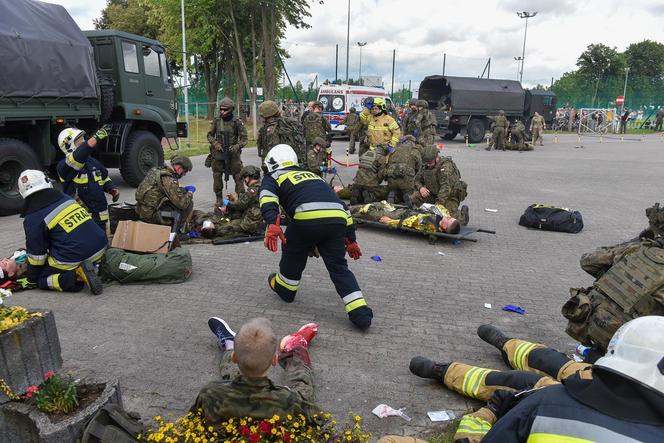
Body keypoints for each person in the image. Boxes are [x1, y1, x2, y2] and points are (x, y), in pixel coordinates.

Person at [410, 318, 664, 442]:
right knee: (553, 362)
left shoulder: (548, 405)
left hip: (609, 384)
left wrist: (491, 412)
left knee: (527, 384)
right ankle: (506, 344)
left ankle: (445, 371)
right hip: (623, 383)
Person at [259, 144, 373, 330]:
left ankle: (286, 288)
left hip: (305, 219)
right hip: (337, 221)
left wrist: (272, 222)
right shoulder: (313, 176)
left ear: (272, 163)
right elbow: (342, 208)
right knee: (338, 267)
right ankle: (361, 314)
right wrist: (351, 239)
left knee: (292, 248)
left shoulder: (274, 176)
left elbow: (267, 198)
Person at [193, 317, 322, 422]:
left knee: (229, 387)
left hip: (227, 397)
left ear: (233, 357)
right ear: (274, 360)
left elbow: (193, 420)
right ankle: (296, 347)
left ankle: (230, 344)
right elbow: (319, 420)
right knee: (302, 387)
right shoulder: (288, 399)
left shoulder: (210, 392)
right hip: (288, 404)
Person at [562, 236, 664, 355]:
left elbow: (587, 263)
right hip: (626, 340)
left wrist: (612, 274)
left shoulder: (636, 248)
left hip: (589, 320)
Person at [18, 169, 106, 295]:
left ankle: (77, 276)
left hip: (77, 256)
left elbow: (38, 258)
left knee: (42, 279)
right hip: (101, 246)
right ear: (47, 182)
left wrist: (32, 279)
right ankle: (96, 266)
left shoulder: (33, 218)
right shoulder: (65, 198)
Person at [56, 125, 119, 232]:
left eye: (83, 138)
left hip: (101, 217)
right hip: (82, 220)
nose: (83, 141)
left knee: (104, 242)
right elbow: (78, 156)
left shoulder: (92, 161)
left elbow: (103, 177)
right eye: (79, 140)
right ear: (68, 145)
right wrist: (96, 137)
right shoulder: (65, 166)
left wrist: (111, 188)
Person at [193, 166, 264, 240]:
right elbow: (245, 202)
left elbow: (241, 205)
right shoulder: (259, 186)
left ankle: (208, 228)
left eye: (244, 178)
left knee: (223, 229)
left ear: (248, 177)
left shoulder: (253, 190)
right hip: (249, 217)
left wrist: (226, 202)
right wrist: (233, 200)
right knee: (224, 217)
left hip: (250, 223)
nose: (244, 181)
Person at [410, 145, 469, 225]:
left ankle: (463, 216)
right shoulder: (426, 164)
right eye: (426, 163)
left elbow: (445, 189)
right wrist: (421, 188)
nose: (428, 165)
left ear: (436, 157)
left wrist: (437, 206)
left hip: (449, 197)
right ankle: (428, 212)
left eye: (430, 163)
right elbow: (416, 180)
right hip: (434, 194)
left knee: (450, 220)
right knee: (415, 196)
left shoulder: (445, 167)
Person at [206, 97, 248, 205]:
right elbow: (209, 135)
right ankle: (218, 198)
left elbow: (244, 139)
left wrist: (236, 147)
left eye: (225, 110)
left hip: (233, 153)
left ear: (231, 109)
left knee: (238, 174)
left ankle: (241, 197)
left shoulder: (237, 121)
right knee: (217, 175)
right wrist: (216, 144)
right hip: (218, 153)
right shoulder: (217, 120)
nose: (222, 112)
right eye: (221, 109)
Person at [134, 156, 194, 229]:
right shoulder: (168, 178)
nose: (184, 174)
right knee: (188, 203)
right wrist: (190, 192)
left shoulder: (156, 170)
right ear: (179, 168)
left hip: (140, 210)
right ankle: (177, 232)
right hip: (150, 216)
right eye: (185, 172)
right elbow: (182, 204)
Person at [351, 201, 461, 234]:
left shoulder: (430, 224)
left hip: (397, 216)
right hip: (404, 210)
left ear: (445, 226)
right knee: (379, 204)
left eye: (450, 220)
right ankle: (348, 208)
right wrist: (445, 214)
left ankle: (347, 212)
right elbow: (440, 208)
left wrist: (390, 222)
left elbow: (409, 223)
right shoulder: (441, 217)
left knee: (368, 211)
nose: (448, 217)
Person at [257, 100, 306, 165]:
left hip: (279, 165)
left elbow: (271, 150)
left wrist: (265, 165)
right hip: (296, 160)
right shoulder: (290, 121)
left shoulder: (271, 128)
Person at [385, 135, 421, 206]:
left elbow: (388, 163)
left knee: (395, 188)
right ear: (413, 142)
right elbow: (419, 167)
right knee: (409, 191)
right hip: (406, 179)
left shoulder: (395, 149)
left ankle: (393, 192)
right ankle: (408, 196)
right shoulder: (415, 151)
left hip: (392, 178)